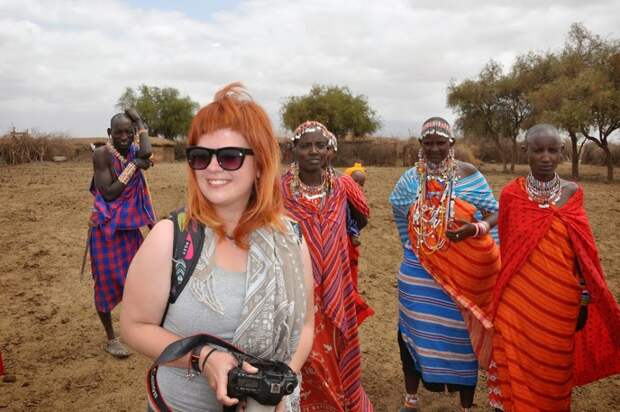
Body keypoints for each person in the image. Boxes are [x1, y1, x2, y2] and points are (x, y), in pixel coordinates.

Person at [120, 83, 314, 412]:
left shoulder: (291, 238)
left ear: (260, 165)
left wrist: (279, 384)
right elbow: (134, 326)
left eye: (229, 157)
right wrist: (203, 357)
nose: (212, 168)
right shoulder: (171, 238)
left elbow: (306, 325)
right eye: (200, 156)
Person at [487, 124, 620, 412]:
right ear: (526, 152)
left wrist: (584, 297)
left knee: (554, 373)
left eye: (552, 150)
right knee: (513, 363)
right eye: (538, 151)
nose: (545, 157)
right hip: (517, 302)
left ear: (562, 153)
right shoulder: (512, 194)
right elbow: (510, 250)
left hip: (559, 303)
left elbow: (582, 251)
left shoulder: (573, 193)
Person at [389, 117, 500, 412]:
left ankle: (466, 406)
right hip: (417, 273)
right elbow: (399, 211)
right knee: (410, 335)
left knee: (462, 338)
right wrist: (412, 246)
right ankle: (411, 400)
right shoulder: (410, 179)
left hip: (462, 274)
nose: (435, 149)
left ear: (452, 143)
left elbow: (495, 213)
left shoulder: (470, 175)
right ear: (420, 145)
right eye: (429, 143)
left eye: (441, 143)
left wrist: (476, 230)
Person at [281, 121, 373, 412]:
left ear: (330, 151)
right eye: (305, 145)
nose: (313, 151)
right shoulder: (279, 188)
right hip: (295, 286)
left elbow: (363, 215)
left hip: (336, 282)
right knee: (303, 352)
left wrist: (345, 236)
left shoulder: (342, 186)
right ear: (293, 149)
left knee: (336, 348)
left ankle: (340, 400)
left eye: (320, 145)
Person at [88, 108, 155, 358]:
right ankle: (110, 338)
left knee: (139, 280)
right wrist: (135, 167)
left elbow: (146, 152)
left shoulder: (137, 151)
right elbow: (109, 193)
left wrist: (140, 121)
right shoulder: (102, 154)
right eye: (119, 132)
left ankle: (140, 329)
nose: (125, 136)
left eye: (130, 131)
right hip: (106, 231)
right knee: (105, 284)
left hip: (129, 229)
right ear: (109, 134)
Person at [343, 161, 374, 325]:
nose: (358, 186)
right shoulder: (342, 192)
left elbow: (362, 220)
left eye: (361, 184)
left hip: (347, 241)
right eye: (355, 182)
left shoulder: (356, 197)